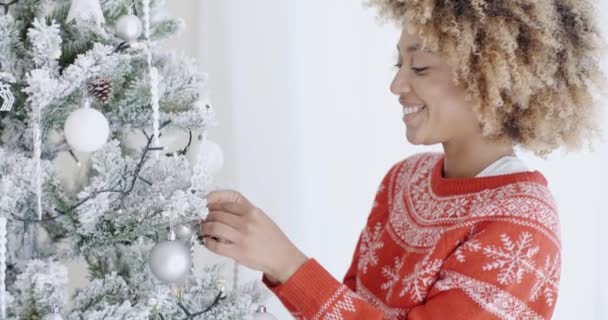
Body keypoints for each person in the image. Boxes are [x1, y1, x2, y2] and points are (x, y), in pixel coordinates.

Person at [198, 0, 605, 319]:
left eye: (421, 67)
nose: (397, 84)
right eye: (400, 63)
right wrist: (270, 256)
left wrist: (286, 262)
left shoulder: (522, 226)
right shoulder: (403, 181)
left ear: (491, 71)